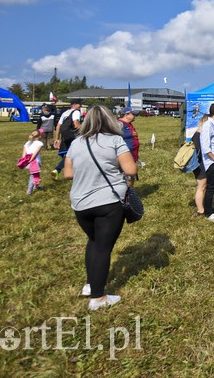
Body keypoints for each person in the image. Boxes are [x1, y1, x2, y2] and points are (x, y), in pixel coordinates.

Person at [64, 105, 138, 311]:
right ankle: (98, 297)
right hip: (108, 202)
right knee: (104, 248)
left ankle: (90, 284)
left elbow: (68, 174)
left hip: (80, 203)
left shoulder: (76, 143)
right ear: (110, 121)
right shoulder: (115, 141)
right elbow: (131, 169)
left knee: (94, 242)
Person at [53, 99, 82, 179]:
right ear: (74, 104)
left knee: (69, 155)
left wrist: (57, 138)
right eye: (79, 104)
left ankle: (67, 172)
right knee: (74, 155)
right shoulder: (76, 112)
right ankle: (58, 169)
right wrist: (86, 128)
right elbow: (76, 124)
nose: (80, 106)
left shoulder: (65, 113)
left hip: (65, 137)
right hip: (74, 137)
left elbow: (58, 126)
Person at [191, 115, 209, 216]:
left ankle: (202, 206)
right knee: (201, 187)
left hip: (201, 164)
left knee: (203, 186)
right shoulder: (198, 135)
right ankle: (200, 210)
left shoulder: (198, 134)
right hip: (200, 165)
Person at [118, 107, 140, 185]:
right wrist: (130, 134)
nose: (135, 116)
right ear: (126, 115)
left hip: (132, 154)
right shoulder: (119, 124)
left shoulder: (129, 124)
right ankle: (126, 193)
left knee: (131, 176)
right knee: (128, 176)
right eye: (133, 114)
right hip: (124, 155)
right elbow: (115, 135)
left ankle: (129, 192)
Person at [22, 129, 44, 194]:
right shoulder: (39, 143)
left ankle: (36, 186)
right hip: (35, 162)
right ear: (39, 136)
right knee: (33, 176)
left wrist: (25, 161)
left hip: (27, 161)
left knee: (36, 174)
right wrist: (31, 160)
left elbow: (23, 154)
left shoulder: (27, 143)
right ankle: (29, 190)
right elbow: (35, 153)